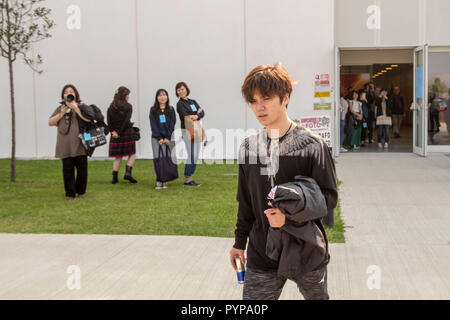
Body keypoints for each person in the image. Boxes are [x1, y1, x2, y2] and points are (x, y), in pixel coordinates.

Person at [230, 63, 338, 300]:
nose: (259, 106)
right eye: (253, 100)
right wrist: (239, 243)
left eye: (266, 98)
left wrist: (289, 215)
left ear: (285, 97)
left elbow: (329, 197)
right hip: (262, 250)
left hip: (306, 247)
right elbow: (245, 202)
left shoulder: (313, 146)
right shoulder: (248, 148)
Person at [48, 84, 91, 200]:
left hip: (80, 144)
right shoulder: (60, 108)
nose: (68, 93)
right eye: (66, 92)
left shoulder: (82, 107)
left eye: (71, 91)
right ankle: (70, 193)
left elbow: (89, 120)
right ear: (63, 95)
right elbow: (50, 122)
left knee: (82, 170)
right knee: (67, 171)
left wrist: (76, 108)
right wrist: (61, 113)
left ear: (75, 94)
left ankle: (81, 192)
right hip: (65, 145)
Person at [175, 82, 205, 187]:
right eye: (178, 90)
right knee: (191, 154)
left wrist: (196, 115)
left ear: (186, 89)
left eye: (182, 89)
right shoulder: (179, 104)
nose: (181, 91)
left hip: (196, 129)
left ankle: (191, 176)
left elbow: (203, 112)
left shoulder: (193, 101)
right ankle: (188, 178)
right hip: (187, 130)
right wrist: (197, 113)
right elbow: (185, 115)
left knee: (196, 155)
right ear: (177, 92)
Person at [107, 86, 138, 184]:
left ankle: (114, 178)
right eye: (128, 94)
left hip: (115, 133)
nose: (129, 97)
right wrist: (119, 133)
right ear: (124, 95)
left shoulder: (111, 106)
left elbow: (109, 121)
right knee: (132, 154)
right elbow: (125, 122)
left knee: (118, 156)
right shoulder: (128, 106)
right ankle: (128, 173)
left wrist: (113, 132)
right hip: (126, 132)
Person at [149, 89, 177, 189]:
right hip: (156, 139)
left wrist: (167, 137)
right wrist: (159, 138)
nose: (162, 97)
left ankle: (165, 180)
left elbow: (172, 124)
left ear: (167, 97)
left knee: (167, 159)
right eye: (160, 95)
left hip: (169, 139)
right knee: (158, 159)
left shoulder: (171, 109)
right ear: (157, 97)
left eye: (164, 95)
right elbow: (153, 125)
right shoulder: (153, 110)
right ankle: (158, 180)